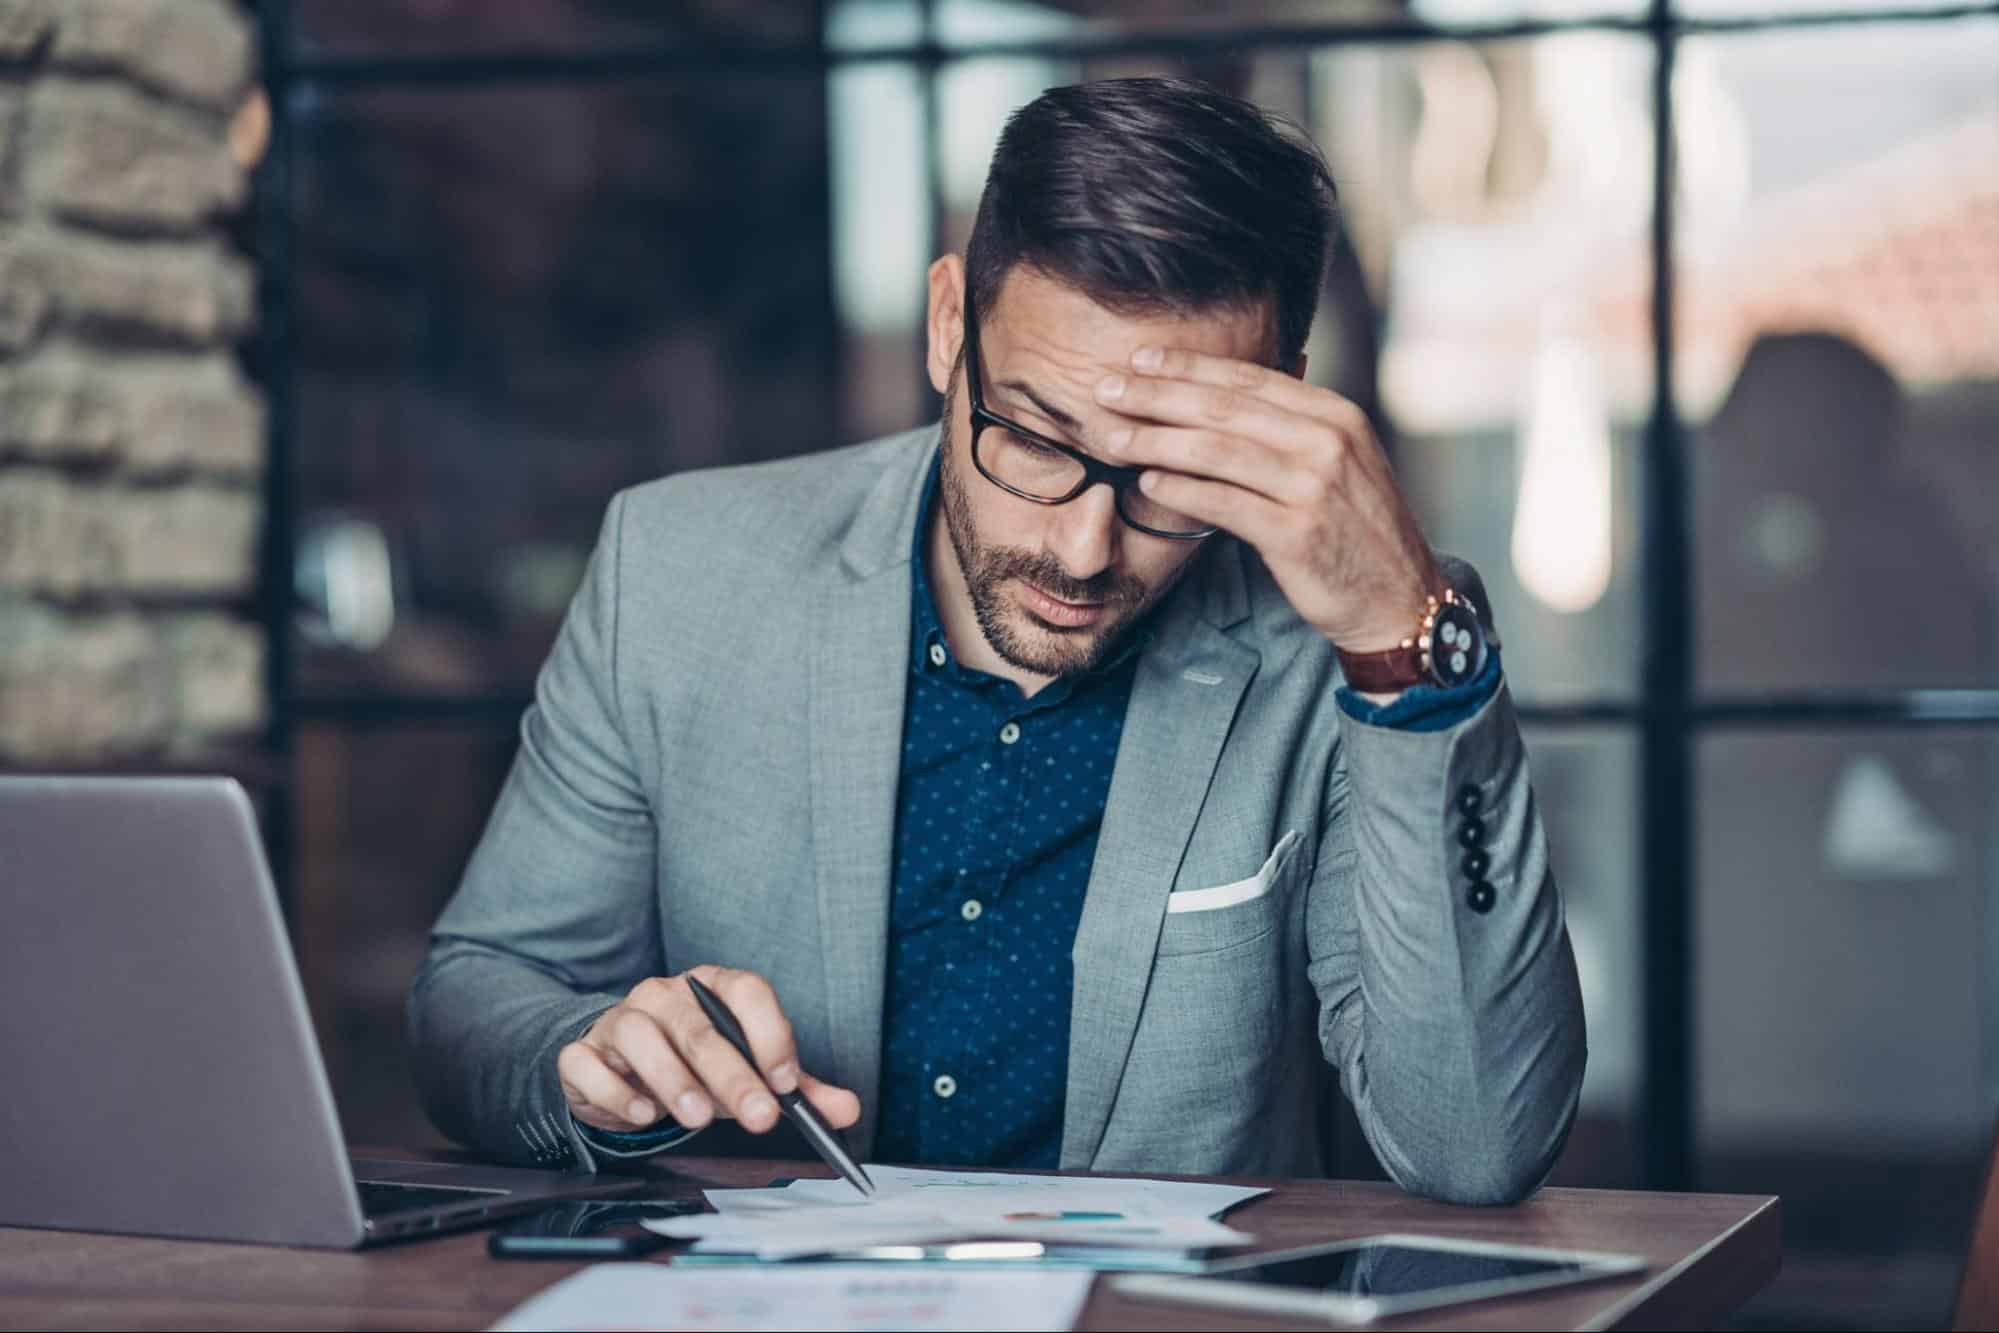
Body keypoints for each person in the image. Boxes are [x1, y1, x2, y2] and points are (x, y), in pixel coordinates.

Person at [408, 76, 1585, 1203]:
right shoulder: (677, 572)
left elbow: (1475, 1144)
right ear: (944, 330)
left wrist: (1400, 647)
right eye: (1030, 437)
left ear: (1278, 410)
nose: (1082, 549)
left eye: (1170, 475)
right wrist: (594, 1059)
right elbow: (475, 1003)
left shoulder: (1358, 638)